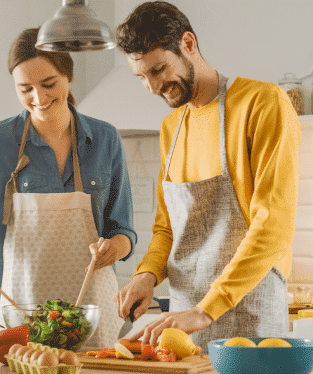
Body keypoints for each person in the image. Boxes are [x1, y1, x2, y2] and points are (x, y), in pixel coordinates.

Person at [0, 28, 137, 349]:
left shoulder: (105, 139)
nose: (39, 99)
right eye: (25, 88)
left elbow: (122, 230)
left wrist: (115, 248)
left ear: (68, 77)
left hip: (94, 313)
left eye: (49, 84)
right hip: (21, 313)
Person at [112, 1, 300, 350]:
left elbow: (272, 224)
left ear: (188, 44)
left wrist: (206, 310)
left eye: (158, 70)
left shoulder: (262, 103)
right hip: (183, 325)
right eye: (142, 77)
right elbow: (167, 228)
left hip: (250, 317)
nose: (152, 87)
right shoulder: (172, 127)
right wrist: (146, 275)